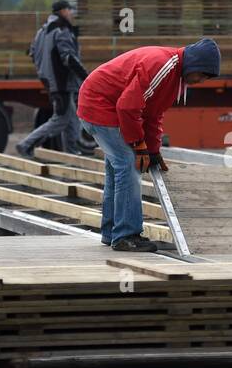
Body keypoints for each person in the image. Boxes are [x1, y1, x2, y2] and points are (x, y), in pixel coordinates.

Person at [77, 38, 221, 252]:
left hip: (106, 106)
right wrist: (139, 145)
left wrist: (153, 150)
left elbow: (153, 114)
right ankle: (127, 235)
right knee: (128, 164)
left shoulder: (176, 78)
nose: (201, 80)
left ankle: (111, 233)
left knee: (116, 168)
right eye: (202, 74)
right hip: (100, 106)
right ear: (194, 64)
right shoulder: (163, 66)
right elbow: (127, 107)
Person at [17, 0, 88, 157]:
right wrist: (86, 76)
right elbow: (68, 57)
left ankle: (72, 153)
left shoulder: (42, 31)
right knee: (61, 119)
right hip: (61, 82)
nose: (72, 14)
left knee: (72, 119)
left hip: (52, 81)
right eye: (70, 10)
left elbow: (32, 52)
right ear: (63, 11)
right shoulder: (62, 29)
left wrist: (44, 73)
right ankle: (26, 144)